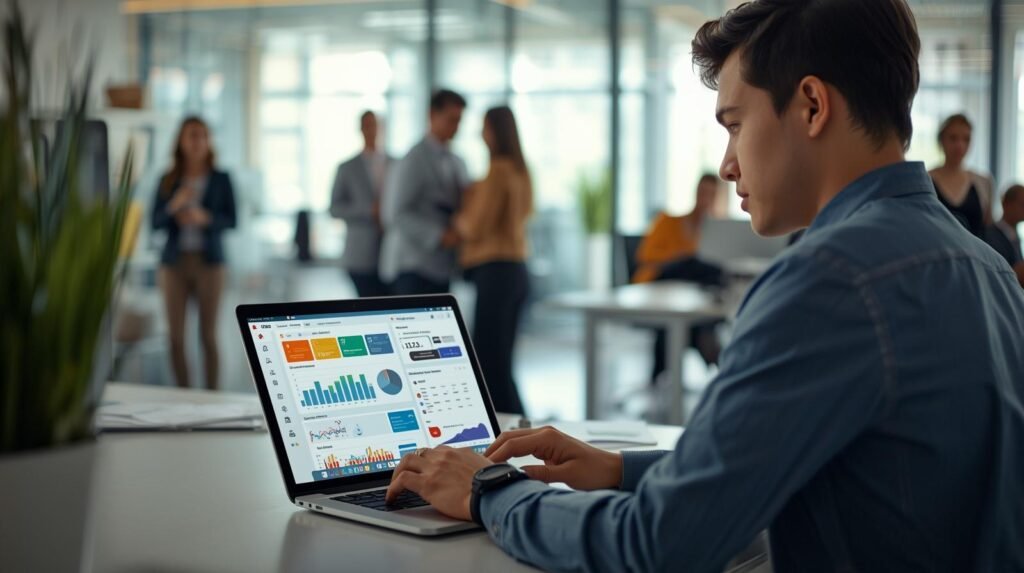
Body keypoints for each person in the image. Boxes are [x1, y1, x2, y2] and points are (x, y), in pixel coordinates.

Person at [383, 2, 1024, 571]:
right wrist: (619, 468)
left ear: (811, 105)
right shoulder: (988, 267)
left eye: (735, 123)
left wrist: (488, 491)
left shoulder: (829, 280)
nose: (727, 162)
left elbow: (654, 545)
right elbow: (851, 461)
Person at [453, 106, 533, 415]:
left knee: (489, 365)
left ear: (495, 131)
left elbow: (474, 226)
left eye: (484, 127)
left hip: (495, 272)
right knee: (502, 361)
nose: (480, 134)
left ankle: (509, 435)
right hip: (516, 270)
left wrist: (460, 213)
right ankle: (523, 429)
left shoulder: (497, 171)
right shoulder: (521, 170)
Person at [151, 116, 237, 390]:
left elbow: (232, 220)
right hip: (174, 264)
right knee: (175, 337)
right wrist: (174, 206)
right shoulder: (168, 179)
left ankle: (212, 397)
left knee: (208, 337)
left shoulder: (222, 179)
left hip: (210, 263)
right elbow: (155, 222)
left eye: (202, 135)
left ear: (208, 141)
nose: (197, 140)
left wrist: (205, 218)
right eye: (191, 135)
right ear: (181, 140)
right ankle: (184, 396)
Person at [633, 174, 725, 381]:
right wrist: (682, 257)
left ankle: (660, 377)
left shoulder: (718, 232)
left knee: (697, 322)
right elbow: (645, 256)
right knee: (690, 265)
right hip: (658, 289)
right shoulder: (668, 221)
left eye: (711, 194)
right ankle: (718, 368)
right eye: (703, 192)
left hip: (691, 298)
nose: (705, 198)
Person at [380, 89, 469, 295]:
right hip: (413, 266)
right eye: (451, 120)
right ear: (432, 115)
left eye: (459, 121)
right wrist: (439, 236)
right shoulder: (413, 160)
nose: (456, 127)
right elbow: (395, 214)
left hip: (442, 267)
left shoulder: (457, 161)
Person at [329, 111, 394, 297]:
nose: (372, 130)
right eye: (367, 125)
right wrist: (368, 211)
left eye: (375, 125)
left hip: (391, 253)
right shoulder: (347, 167)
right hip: (360, 254)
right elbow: (334, 208)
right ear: (360, 129)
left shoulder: (396, 163)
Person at [929, 113, 994, 237]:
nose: (960, 145)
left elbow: (988, 229)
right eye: (953, 138)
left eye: (966, 139)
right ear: (942, 140)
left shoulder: (984, 182)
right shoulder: (926, 179)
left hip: (975, 255)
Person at [986, 184, 1024, 287]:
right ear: (1006, 204)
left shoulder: (1014, 237)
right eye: (1022, 204)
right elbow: (996, 274)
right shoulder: (991, 236)